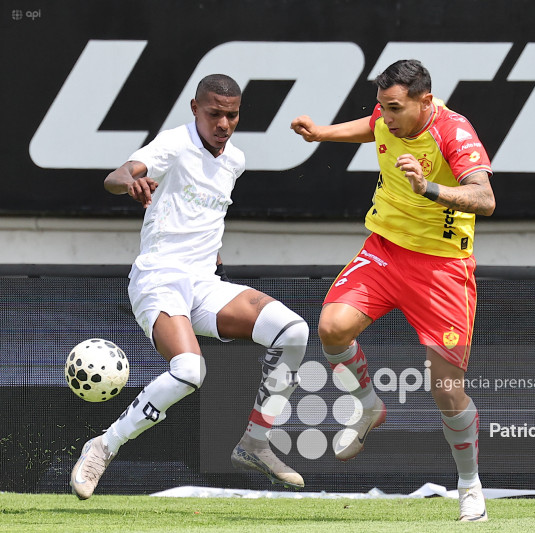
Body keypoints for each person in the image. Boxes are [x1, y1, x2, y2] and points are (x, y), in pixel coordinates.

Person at [70, 74, 309, 499]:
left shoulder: (235, 160)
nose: (223, 123)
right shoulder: (174, 144)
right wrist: (130, 179)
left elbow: (200, 212)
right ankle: (104, 445)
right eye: (214, 113)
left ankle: (255, 441)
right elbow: (116, 175)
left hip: (203, 283)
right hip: (159, 278)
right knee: (189, 371)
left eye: (231, 115)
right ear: (195, 107)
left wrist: (210, 249)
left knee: (293, 331)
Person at [290, 59, 495, 522]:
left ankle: (469, 486)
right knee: (332, 328)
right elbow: (371, 127)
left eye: (395, 108)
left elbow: (485, 199)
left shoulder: (454, 132)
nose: (386, 116)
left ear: (425, 102)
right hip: (385, 250)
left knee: (446, 390)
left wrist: (430, 190)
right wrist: (322, 133)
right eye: (382, 106)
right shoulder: (387, 118)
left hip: (443, 269)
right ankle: (368, 407)